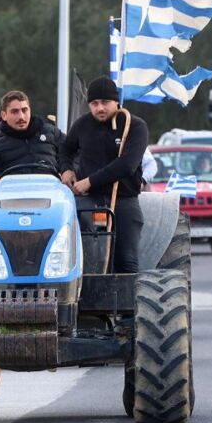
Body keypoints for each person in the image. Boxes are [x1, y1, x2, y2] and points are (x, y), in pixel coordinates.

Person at [60, 76, 149, 274]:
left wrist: (89, 181)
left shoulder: (135, 126)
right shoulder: (82, 124)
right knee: (83, 258)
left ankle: (127, 303)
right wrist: (66, 169)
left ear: (116, 101)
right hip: (88, 200)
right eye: (94, 103)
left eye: (105, 103)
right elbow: (65, 149)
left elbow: (127, 165)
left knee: (127, 261)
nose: (100, 108)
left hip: (124, 200)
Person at [0, 91, 68, 188]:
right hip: (11, 198)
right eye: (15, 112)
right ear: (4, 115)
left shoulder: (52, 133)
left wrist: (66, 171)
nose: (21, 116)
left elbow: (71, 153)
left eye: (24, 110)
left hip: (53, 194)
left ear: (30, 111)